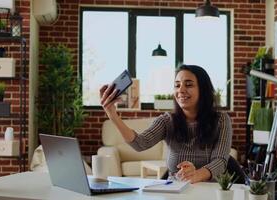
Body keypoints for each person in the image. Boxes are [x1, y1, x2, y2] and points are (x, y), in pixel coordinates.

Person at [99, 65, 232, 184]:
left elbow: (220, 161)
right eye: (177, 85)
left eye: (189, 85)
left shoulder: (221, 120)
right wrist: (112, 114)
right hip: (175, 191)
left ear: (203, 90)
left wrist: (196, 175)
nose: (181, 90)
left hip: (209, 191)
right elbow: (140, 143)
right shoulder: (167, 121)